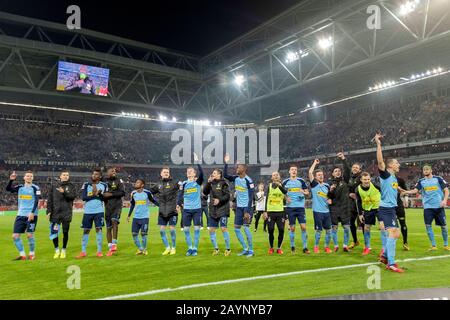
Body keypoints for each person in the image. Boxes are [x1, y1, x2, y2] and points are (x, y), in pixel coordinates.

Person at [374, 133, 404, 273]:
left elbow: (393, 187)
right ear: (391, 164)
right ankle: (391, 263)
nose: (399, 165)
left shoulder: (393, 178)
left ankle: (385, 256)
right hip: (385, 209)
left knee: (395, 234)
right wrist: (378, 144)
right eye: (397, 163)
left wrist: (400, 190)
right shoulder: (386, 174)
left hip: (391, 209)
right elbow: (380, 162)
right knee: (393, 233)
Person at [403, 164, 449, 250]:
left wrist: (445, 200)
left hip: (439, 206)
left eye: (427, 169)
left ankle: (446, 245)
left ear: (431, 170)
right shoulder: (421, 181)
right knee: (428, 225)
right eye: (424, 170)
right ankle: (433, 245)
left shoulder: (438, 179)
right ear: (423, 172)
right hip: (428, 207)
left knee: (443, 226)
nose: (426, 171)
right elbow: (415, 190)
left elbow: (446, 190)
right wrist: (406, 192)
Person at [224, 154, 255, 257]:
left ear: (244, 169)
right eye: (237, 167)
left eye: (239, 167)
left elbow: (251, 197)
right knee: (237, 228)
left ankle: (251, 250)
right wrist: (226, 163)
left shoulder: (249, 181)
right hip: (239, 207)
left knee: (246, 228)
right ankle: (245, 248)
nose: (237, 168)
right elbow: (225, 175)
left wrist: (247, 211)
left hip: (247, 207)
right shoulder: (236, 178)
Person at [6, 171, 41, 260]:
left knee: (29, 235)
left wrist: (32, 212)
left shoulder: (36, 188)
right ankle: (22, 255)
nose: (29, 177)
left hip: (31, 215)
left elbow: (37, 201)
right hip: (20, 214)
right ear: (24, 178)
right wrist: (11, 180)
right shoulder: (20, 187)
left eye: (31, 176)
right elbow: (8, 189)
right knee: (15, 236)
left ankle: (32, 254)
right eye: (27, 176)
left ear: (32, 178)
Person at [76, 168, 108, 259]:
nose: (94, 175)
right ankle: (83, 252)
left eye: (96, 174)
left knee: (99, 229)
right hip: (88, 211)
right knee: (86, 230)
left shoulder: (104, 185)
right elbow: (84, 197)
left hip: (99, 211)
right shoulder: (86, 184)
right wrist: (95, 195)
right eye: (93, 174)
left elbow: (104, 199)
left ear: (100, 176)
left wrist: (100, 194)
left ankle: (99, 251)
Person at [177, 153, 204, 256]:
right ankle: (190, 248)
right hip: (186, 209)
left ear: (194, 174)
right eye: (187, 171)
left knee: (197, 229)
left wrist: (197, 162)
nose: (189, 172)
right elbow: (180, 194)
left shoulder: (197, 182)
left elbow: (202, 173)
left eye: (191, 171)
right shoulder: (183, 184)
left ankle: (195, 249)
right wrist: (178, 204)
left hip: (197, 209)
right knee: (186, 229)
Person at [46, 170, 77, 259]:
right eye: (64, 175)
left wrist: (64, 192)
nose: (66, 176)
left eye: (67, 175)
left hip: (66, 213)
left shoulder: (71, 186)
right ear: (60, 176)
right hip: (55, 214)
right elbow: (50, 199)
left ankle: (63, 250)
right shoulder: (54, 186)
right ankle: (56, 250)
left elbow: (72, 197)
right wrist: (48, 210)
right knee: (54, 233)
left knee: (65, 232)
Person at [149, 166, 179, 255]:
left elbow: (182, 190)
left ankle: (173, 248)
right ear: (161, 174)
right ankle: (167, 248)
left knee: (172, 230)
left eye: (167, 172)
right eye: (164, 172)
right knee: (162, 230)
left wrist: (179, 204)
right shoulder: (158, 184)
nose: (166, 173)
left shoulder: (174, 183)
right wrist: (155, 202)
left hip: (172, 211)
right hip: (162, 211)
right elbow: (149, 193)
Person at [282, 164, 310, 254]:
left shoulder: (301, 181)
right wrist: (286, 198)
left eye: (295, 170)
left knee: (303, 227)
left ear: (297, 171)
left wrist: (303, 192)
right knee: (292, 228)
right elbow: (282, 193)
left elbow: (307, 192)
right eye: (292, 169)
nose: (294, 171)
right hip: (290, 208)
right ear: (289, 171)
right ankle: (292, 247)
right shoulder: (285, 182)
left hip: (300, 207)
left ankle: (305, 248)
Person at [203, 169, 231, 256]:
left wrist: (219, 200)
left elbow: (227, 195)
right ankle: (216, 249)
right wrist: (208, 182)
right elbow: (205, 192)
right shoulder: (211, 183)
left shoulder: (224, 183)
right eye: (212, 173)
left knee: (223, 228)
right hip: (213, 210)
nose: (212, 174)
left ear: (219, 174)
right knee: (211, 230)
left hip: (223, 209)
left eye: (214, 173)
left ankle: (228, 249)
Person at [327, 152, 352, 252]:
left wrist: (343, 159)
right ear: (332, 173)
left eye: (339, 171)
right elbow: (329, 197)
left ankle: (345, 245)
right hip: (334, 209)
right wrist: (331, 190)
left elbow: (347, 170)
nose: (338, 172)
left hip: (345, 208)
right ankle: (336, 245)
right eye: (335, 171)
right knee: (334, 228)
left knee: (346, 228)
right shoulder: (329, 183)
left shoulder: (344, 180)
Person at [127, 179, 159, 255]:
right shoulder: (133, 193)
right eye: (136, 182)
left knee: (143, 233)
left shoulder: (147, 193)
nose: (136, 183)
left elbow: (153, 201)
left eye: (138, 182)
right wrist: (129, 215)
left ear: (142, 185)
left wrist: (162, 207)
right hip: (136, 217)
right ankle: (141, 249)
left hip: (145, 217)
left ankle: (144, 249)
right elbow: (132, 204)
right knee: (134, 234)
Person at [308, 159, 333, 254]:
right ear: (315, 177)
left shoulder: (327, 186)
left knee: (329, 231)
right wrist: (315, 163)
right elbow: (310, 172)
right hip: (317, 211)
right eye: (319, 175)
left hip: (327, 211)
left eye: (322, 174)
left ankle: (326, 247)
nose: (321, 176)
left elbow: (330, 197)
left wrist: (330, 200)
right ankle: (316, 247)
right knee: (319, 231)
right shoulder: (314, 185)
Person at [356, 172, 383, 256]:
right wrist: (360, 214)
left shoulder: (376, 185)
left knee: (383, 227)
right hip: (368, 209)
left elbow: (384, 192)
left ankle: (384, 249)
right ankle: (367, 247)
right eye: (365, 179)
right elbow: (359, 201)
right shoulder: (358, 189)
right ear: (361, 180)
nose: (367, 181)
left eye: (368, 179)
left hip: (379, 208)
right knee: (366, 228)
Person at [102, 167, 125, 256]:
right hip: (107, 206)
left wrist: (111, 194)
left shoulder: (119, 181)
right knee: (108, 228)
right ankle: (110, 247)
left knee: (114, 221)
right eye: (112, 171)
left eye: (115, 171)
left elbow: (122, 193)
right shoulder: (103, 182)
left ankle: (114, 243)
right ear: (108, 173)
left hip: (117, 205)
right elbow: (102, 195)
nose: (114, 172)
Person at [263, 172, 288, 254]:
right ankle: (271, 247)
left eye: (277, 174)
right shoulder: (269, 186)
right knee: (270, 229)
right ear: (271, 178)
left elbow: (285, 192)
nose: (276, 176)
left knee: (281, 230)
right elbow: (266, 199)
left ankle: (279, 248)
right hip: (270, 211)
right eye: (274, 175)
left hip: (280, 211)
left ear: (279, 177)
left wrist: (279, 185)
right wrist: (265, 211)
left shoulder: (282, 185)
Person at [347, 162, 363, 248]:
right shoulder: (350, 178)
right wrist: (349, 194)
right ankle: (355, 241)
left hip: (362, 202)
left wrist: (357, 195)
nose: (355, 168)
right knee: (351, 222)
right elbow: (348, 188)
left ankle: (367, 245)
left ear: (360, 170)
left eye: (357, 167)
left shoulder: (362, 177)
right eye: (353, 167)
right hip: (352, 203)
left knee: (364, 223)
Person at [396, 176, 409, 250]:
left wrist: (406, 200)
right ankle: (389, 245)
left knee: (403, 223)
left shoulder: (400, 179)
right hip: (389, 206)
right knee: (391, 227)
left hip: (399, 205)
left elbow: (405, 191)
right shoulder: (384, 178)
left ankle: (405, 242)